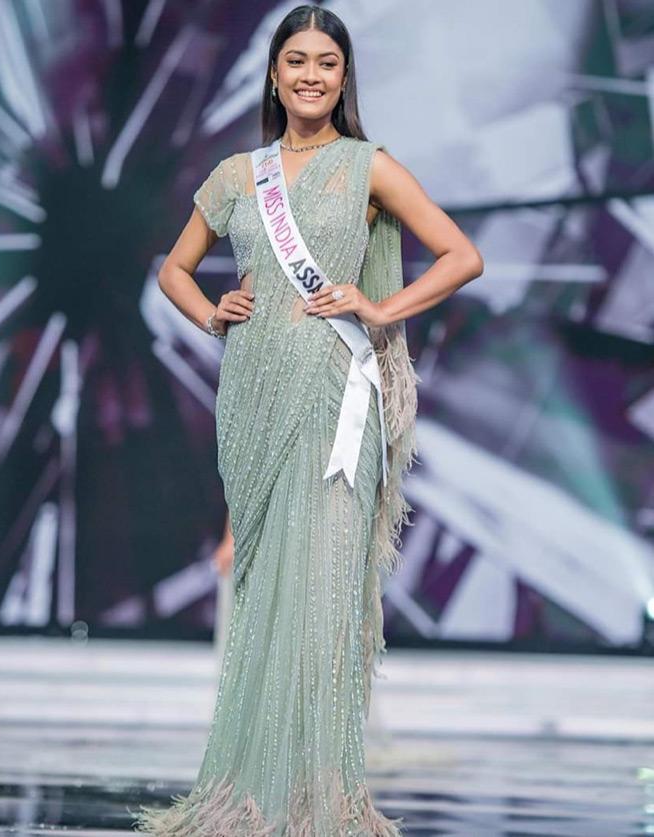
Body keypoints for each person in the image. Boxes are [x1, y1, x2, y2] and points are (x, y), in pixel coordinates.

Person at [131, 4, 483, 834]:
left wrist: (379, 303)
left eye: (327, 61)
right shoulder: (234, 175)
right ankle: (256, 790)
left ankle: (322, 798)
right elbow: (173, 270)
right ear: (275, 73)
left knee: (322, 593)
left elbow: (462, 255)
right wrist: (212, 312)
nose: (312, 75)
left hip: (336, 399)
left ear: (344, 75)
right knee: (266, 593)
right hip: (253, 395)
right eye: (297, 61)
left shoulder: (370, 167)